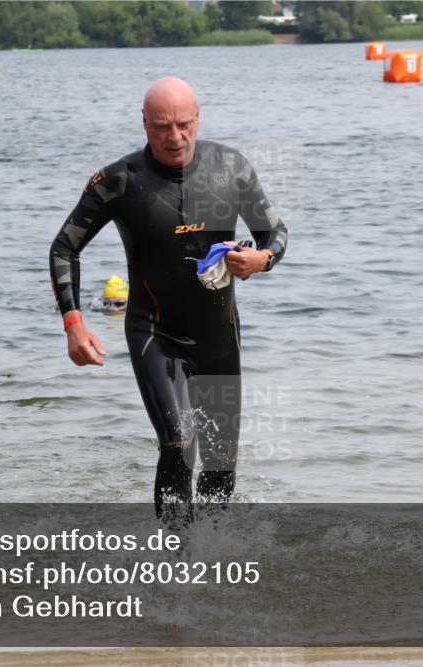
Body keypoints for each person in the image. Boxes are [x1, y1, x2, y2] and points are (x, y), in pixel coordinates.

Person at [49, 77, 288, 521]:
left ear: (198, 117)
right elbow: (65, 246)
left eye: (183, 124)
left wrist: (263, 259)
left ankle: (214, 553)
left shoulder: (231, 167)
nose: (174, 137)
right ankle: (176, 557)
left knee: (220, 466)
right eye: (161, 126)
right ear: (144, 123)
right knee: (179, 444)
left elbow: (274, 232)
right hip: (155, 336)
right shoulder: (119, 180)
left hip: (219, 340)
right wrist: (73, 323)